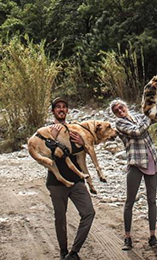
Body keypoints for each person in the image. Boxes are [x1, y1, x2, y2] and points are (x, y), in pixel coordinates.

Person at [45, 97, 95, 260]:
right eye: (58, 107)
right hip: (56, 182)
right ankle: (63, 252)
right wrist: (51, 140)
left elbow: (84, 152)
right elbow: (46, 156)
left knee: (88, 212)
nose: (61, 109)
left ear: (67, 111)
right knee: (60, 218)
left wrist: (81, 142)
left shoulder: (74, 130)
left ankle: (73, 252)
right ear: (53, 111)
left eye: (64, 107)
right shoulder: (46, 132)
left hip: (76, 180)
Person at [110, 99, 157, 250]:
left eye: (121, 107)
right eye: (116, 110)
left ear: (125, 106)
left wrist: (154, 106)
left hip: (151, 160)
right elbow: (137, 132)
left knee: (152, 201)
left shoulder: (139, 117)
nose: (120, 111)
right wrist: (148, 116)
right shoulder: (120, 124)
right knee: (130, 201)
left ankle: (152, 236)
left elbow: (155, 118)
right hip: (135, 163)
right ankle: (127, 238)